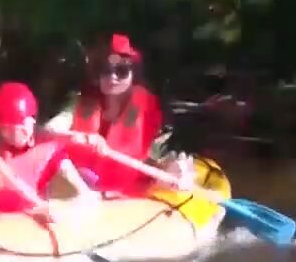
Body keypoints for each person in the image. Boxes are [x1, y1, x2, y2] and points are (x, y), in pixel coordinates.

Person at [44, 33, 194, 194]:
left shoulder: (146, 110)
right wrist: (78, 137)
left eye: (121, 71)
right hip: (80, 185)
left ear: (133, 74)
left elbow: (156, 157)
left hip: (124, 191)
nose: (112, 77)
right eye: (105, 70)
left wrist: (170, 171)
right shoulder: (82, 102)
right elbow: (48, 130)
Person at [0, 82, 99, 219]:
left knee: (59, 159)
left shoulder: (47, 147)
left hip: (28, 218)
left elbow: (78, 186)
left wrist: (81, 196)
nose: (24, 133)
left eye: (27, 125)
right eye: (10, 129)